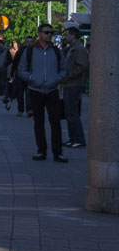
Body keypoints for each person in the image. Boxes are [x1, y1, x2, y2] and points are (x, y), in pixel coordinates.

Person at [17, 23, 66, 162]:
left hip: (52, 90)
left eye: (51, 33)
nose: (49, 35)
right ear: (39, 34)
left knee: (55, 122)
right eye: (46, 32)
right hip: (36, 90)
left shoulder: (56, 51)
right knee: (38, 122)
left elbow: (64, 69)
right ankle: (41, 151)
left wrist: (57, 78)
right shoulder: (30, 51)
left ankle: (58, 153)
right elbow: (21, 70)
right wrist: (31, 78)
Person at [61, 27, 89, 148]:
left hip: (74, 84)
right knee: (69, 112)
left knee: (72, 112)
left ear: (73, 36)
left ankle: (78, 139)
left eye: (67, 35)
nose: (65, 37)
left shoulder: (78, 49)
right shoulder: (73, 48)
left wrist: (69, 76)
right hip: (69, 84)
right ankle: (73, 138)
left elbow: (82, 66)